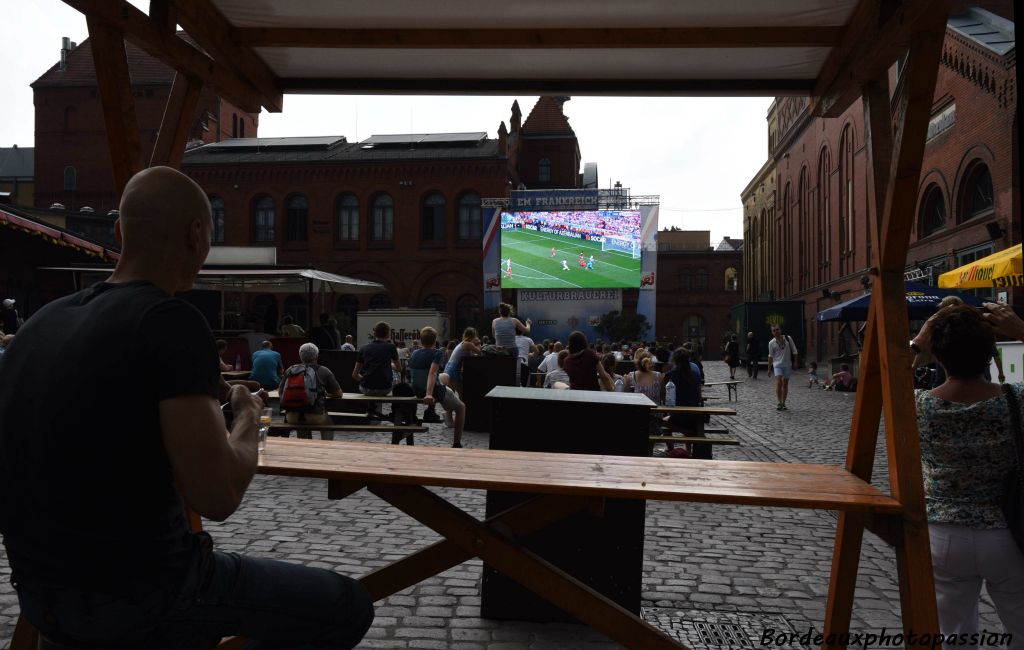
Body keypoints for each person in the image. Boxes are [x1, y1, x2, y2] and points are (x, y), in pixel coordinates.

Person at [0, 166, 372, 649]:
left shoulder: (41, 324)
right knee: (346, 606)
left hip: (47, 602)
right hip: (150, 594)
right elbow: (216, 497)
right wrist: (245, 416)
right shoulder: (169, 320)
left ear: (118, 232)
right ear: (197, 237)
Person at [910, 303, 1024, 642]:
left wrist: (918, 342)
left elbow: (880, 379)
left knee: (953, 634)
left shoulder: (920, 405)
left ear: (939, 357)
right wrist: (1021, 332)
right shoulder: (1016, 400)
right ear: (991, 353)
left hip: (943, 534)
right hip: (1008, 530)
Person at [408, 326, 465, 448]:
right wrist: (429, 393)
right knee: (461, 408)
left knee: (445, 376)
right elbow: (432, 373)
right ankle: (456, 443)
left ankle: (431, 410)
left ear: (421, 341)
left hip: (416, 389)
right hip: (432, 391)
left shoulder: (414, 353)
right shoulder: (437, 353)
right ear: (435, 341)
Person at [279, 342, 345, 438]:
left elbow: (280, 392)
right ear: (316, 356)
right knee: (329, 424)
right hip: (315, 416)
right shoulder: (324, 370)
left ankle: (304, 443)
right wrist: (327, 394)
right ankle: (325, 447)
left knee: (301, 425)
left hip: (292, 416)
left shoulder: (290, 370)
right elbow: (338, 394)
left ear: (300, 356)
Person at [352, 321, 400, 397]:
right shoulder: (391, 347)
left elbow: (354, 375)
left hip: (366, 388)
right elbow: (399, 369)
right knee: (396, 376)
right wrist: (391, 365)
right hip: (385, 388)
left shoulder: (363, 348)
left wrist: (366, 381)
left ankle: (372, 408)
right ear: (388, 334)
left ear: (374, 333)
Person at [441, 327, 481, 397]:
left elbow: (471, 354)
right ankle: (464, 408)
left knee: (451, 396)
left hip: (448, 368)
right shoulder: (468, 344)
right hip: (454, 370)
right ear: (473, 335)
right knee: (462, 394)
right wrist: (478, 342)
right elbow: (480, 352)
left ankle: (452, 408)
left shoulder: (462, 343)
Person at [767, 324, 797, 411]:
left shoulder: (788, 338)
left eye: (777, 329)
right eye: (774, 330)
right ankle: (779, 402)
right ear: (772, 332)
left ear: (780, 330)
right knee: (779, 382)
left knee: (785, 384)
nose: (776, 331)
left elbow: (794, 350)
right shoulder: (771, 343)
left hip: (787, 364)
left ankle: (784, 402)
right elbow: (770, 356)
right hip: (777, 365)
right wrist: (769, 369)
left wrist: (795, 362)